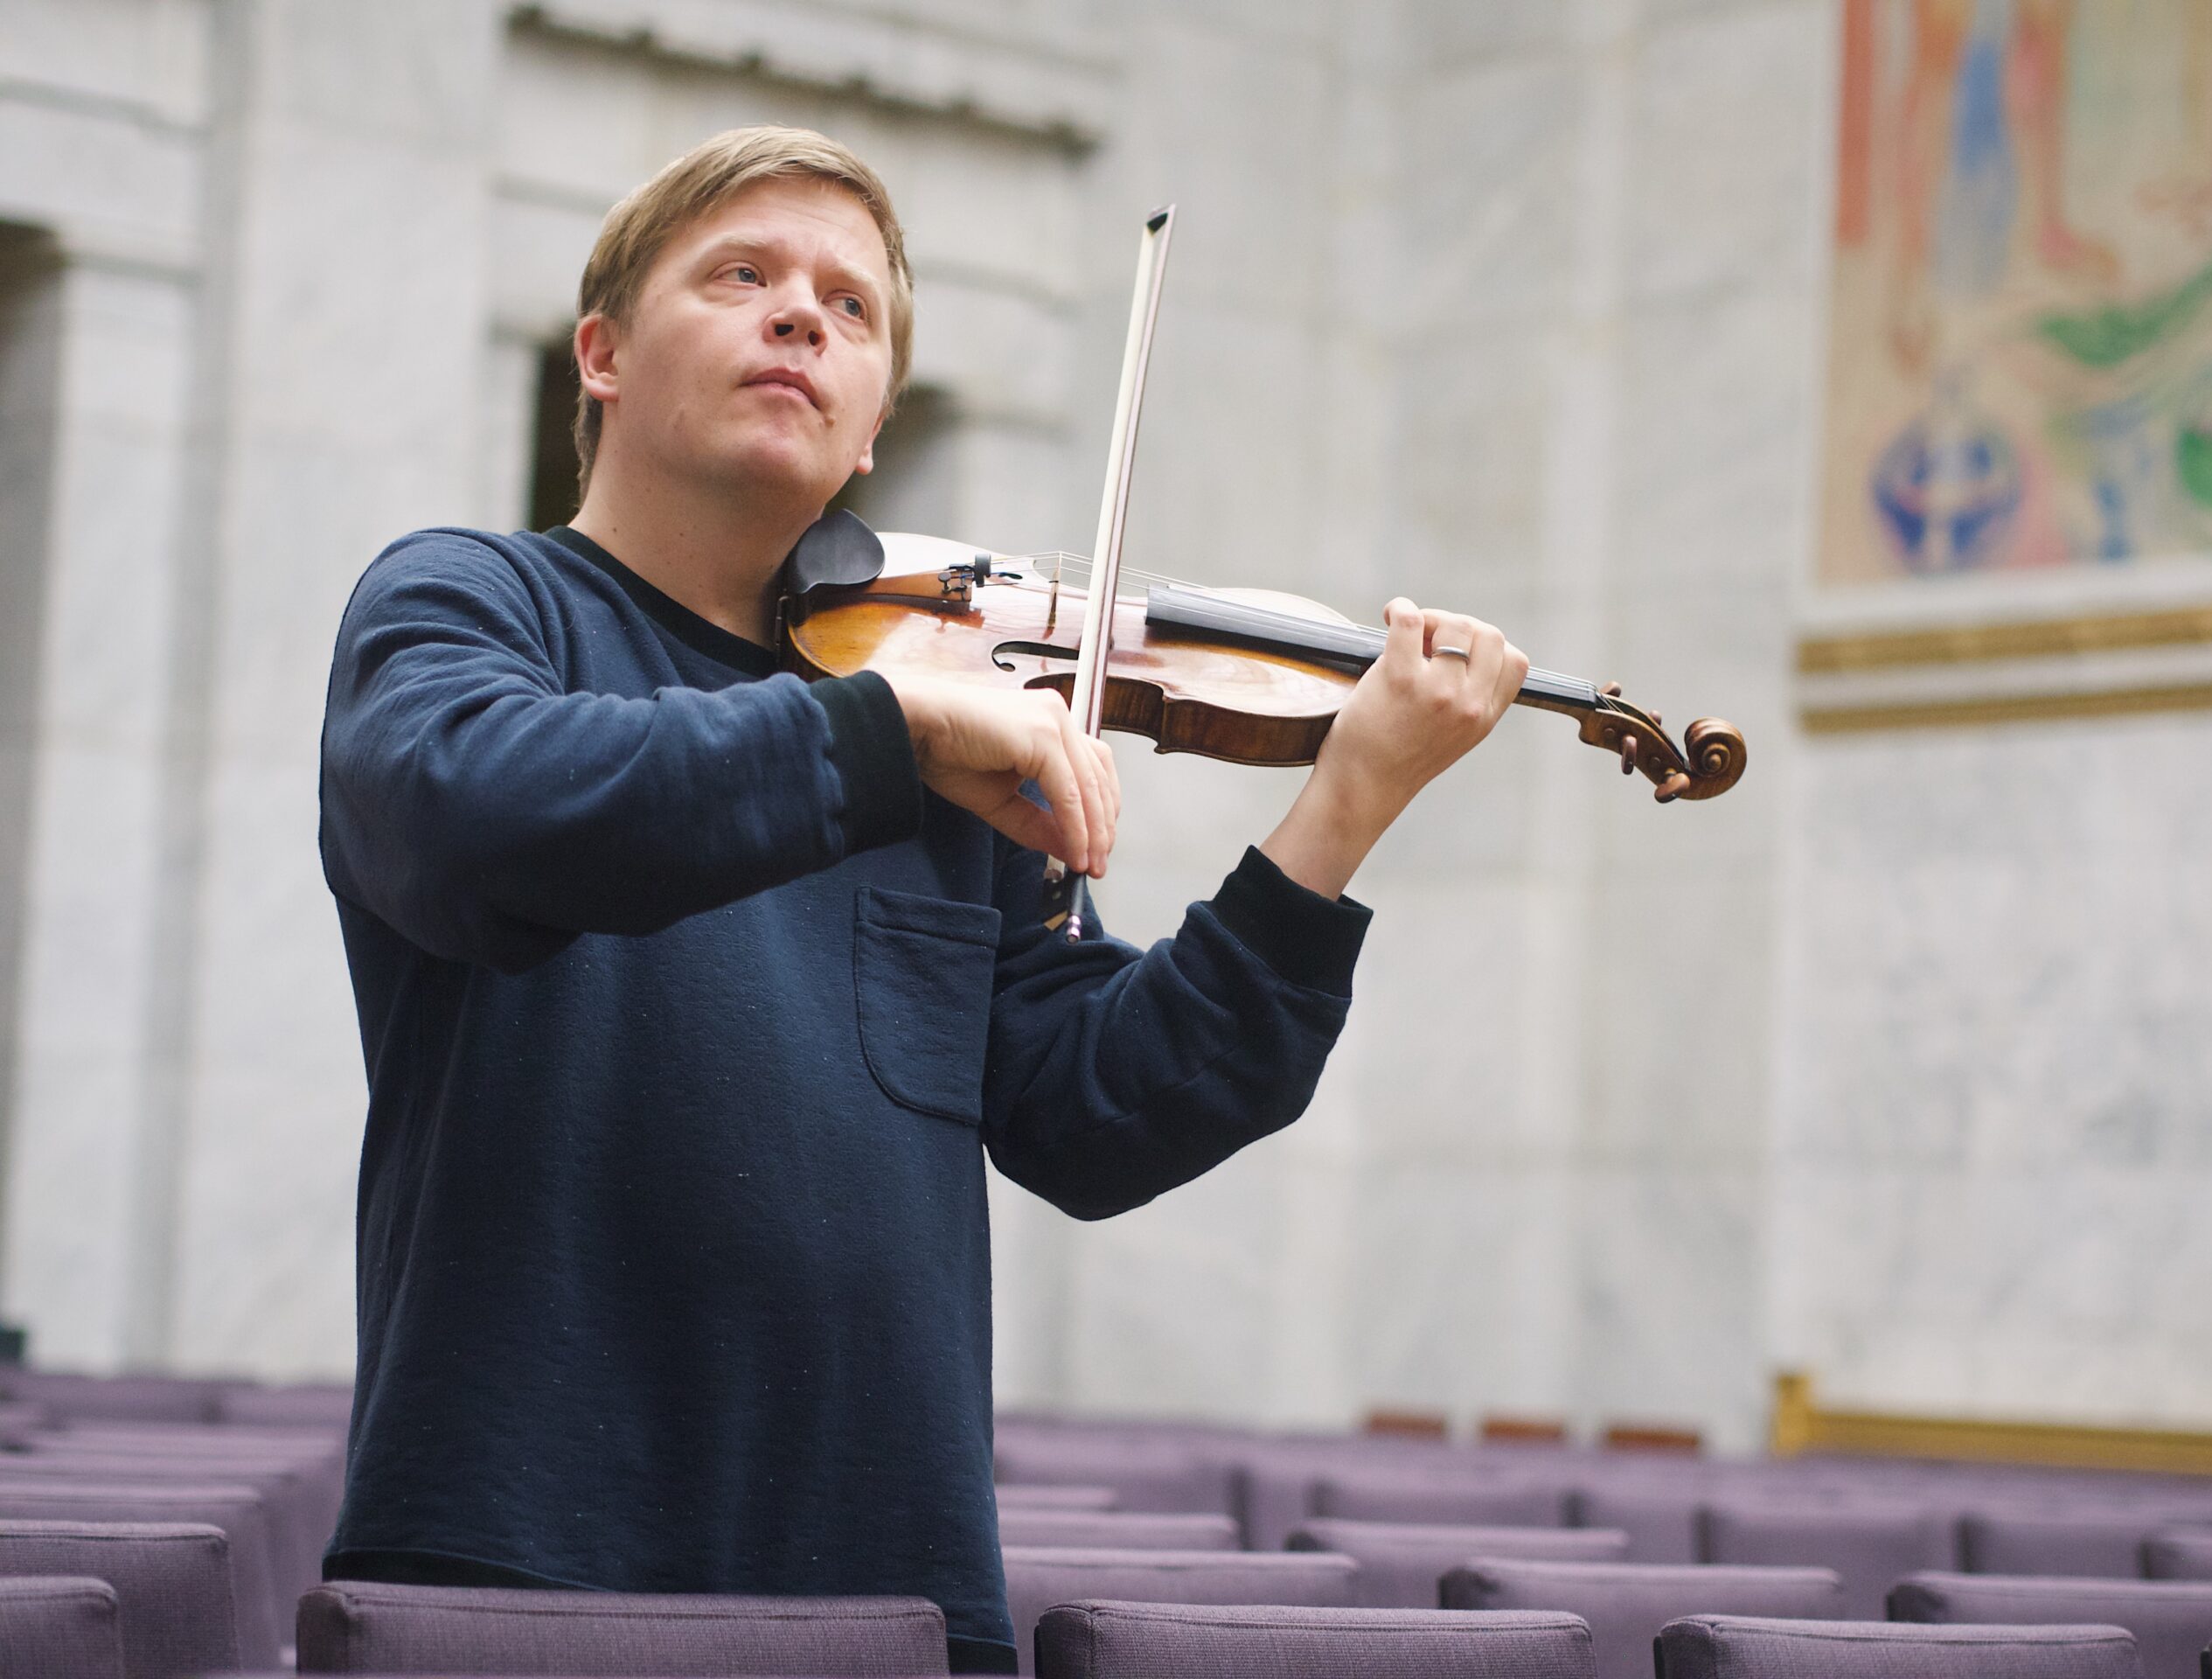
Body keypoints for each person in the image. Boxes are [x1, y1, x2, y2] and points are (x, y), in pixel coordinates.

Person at [317, 125, 1529, 1675]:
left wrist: (1347, 805)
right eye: (742, 273)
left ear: (877, 423)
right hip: (510, 1547)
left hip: (886, 1582)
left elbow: (1100, 1115)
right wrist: (891, 740)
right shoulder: (472, 605)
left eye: (853, 307)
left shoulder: (937, 724)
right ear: (602, 353)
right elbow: (470, 811)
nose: (803, 316)